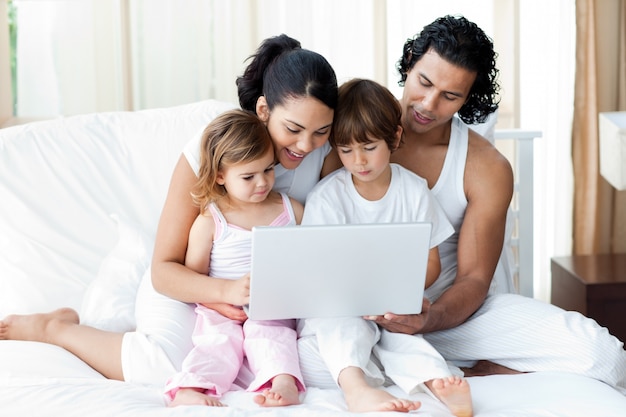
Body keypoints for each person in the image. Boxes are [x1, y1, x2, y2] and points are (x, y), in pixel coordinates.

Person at [299, 14, 626, 395]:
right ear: (409, 65)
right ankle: (436, 372)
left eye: (450, 96)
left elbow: (473, 279)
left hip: (450, 318)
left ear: (468, 99)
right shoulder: (349, 136)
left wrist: (426, 319)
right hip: (361, 317)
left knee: (602, 354)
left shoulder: (486, 167)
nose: (428, 103)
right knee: (312, 365)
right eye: (424, 82)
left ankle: (456, 369)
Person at [0, 33, 341, 398]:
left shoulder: (324, 154)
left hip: (263, 301)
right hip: (190, 281)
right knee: (162, 365)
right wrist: (220, 292)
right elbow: (165, 269)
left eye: (321, 131)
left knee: (304, 360)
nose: (306, 145)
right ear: (262, 110)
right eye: (293, 129)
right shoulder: (213, 147)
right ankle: (56, 328)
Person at [298, 78, 473, 416]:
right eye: (346, 151)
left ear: (394, 137)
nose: (358, 161)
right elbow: (318, 270)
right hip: (341, 305)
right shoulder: (327, 197)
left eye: (369, 147)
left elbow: (431, 263)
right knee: (343, 326)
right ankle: (357, 389)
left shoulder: (414, 190)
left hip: (392, 304)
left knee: (403, 338)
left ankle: (438, 382)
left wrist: (400, 293)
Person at [164, 109, 305, 407]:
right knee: (218, 343)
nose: (262, 183)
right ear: (220, 176)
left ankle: (282, 383)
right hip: (221, 309)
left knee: (274, 336)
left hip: (272, 306)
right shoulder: (211, 221)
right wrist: (220, 303)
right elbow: (194, 279)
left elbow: (308, 258)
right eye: (248, 176)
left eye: (268, 170)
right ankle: (193, 388)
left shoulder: (290, 210)